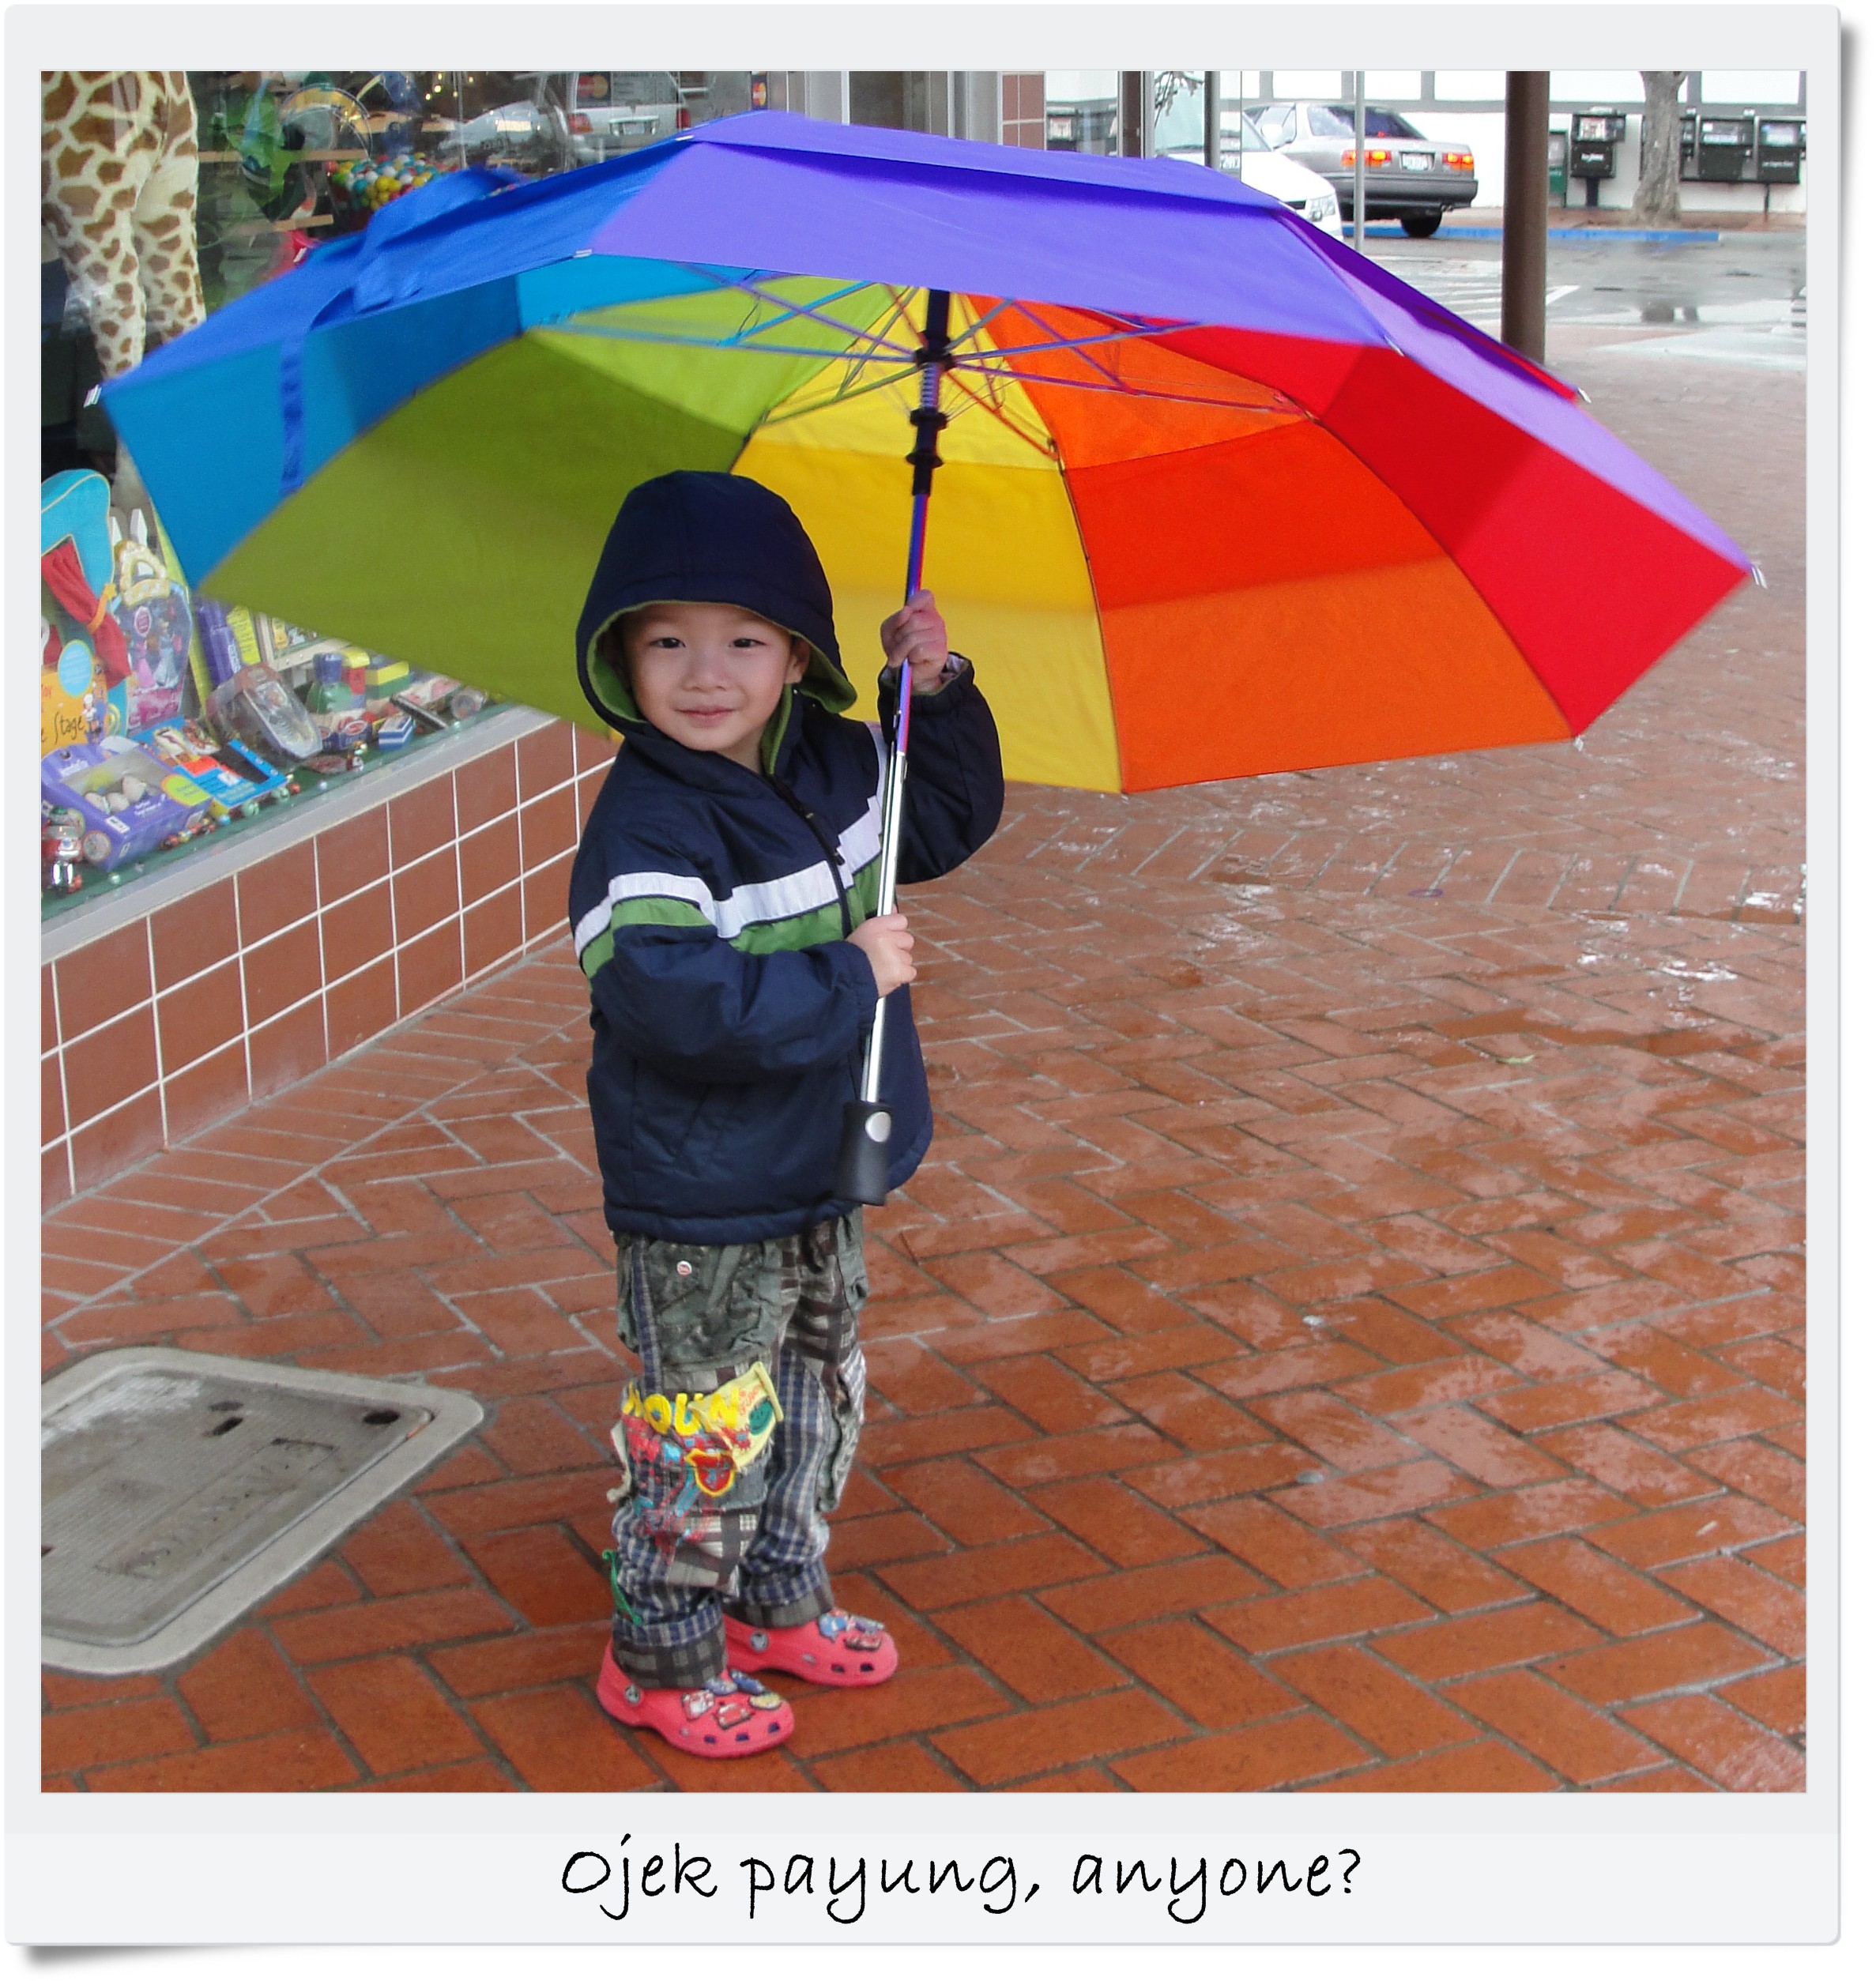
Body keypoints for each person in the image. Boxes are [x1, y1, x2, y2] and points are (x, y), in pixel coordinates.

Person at [567, 470, 1003, 1760]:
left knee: (814, 1391)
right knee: (705, 1423)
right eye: (667, 643)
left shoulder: (834, 761)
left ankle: (774, 1595)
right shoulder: (646, 825)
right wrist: (847, 974)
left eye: (745, 641)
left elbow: (938, 821)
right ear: (620, 660)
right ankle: (660, 1652)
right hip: (702, 1190)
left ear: (799, 654)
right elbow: (672, 1001)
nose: (706, 675)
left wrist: (936, 687)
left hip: (821, 1157)